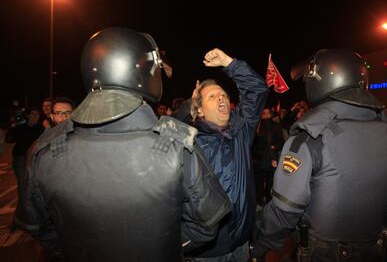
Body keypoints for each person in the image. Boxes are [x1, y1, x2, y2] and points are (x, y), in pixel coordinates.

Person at [14, 27, 230, 261]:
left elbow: (37, 227)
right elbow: (207, 225)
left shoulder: (44, 150)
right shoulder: (178, 146)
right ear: (143, 73)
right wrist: (163, 246)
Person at [252, 49, 387, 261]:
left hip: (324, 253)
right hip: (376, 248)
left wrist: (259, 246)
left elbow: (284, 210)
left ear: (321, 80)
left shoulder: (309, 137)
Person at [183, 48, 268, 261]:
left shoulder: (241, 130)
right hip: (206, 253)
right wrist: (188, 106)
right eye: (212, 96)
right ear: (200, 110)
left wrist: (230, 64)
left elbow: (257, 90)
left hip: (241, 244)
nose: (221, 98)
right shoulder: (188, 142)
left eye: (224, 95)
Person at [6, 107, 44, 198]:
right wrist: (12, 127)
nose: (34, 116)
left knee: (35, 182)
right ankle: (23, 205)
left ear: (39, 117)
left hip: (35, 158)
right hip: (20, 158)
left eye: (37, 114)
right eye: (32, 114)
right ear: (28, 115)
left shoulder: (41, 128)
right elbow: (9, 139)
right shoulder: (21, 126)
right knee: (23, 183)